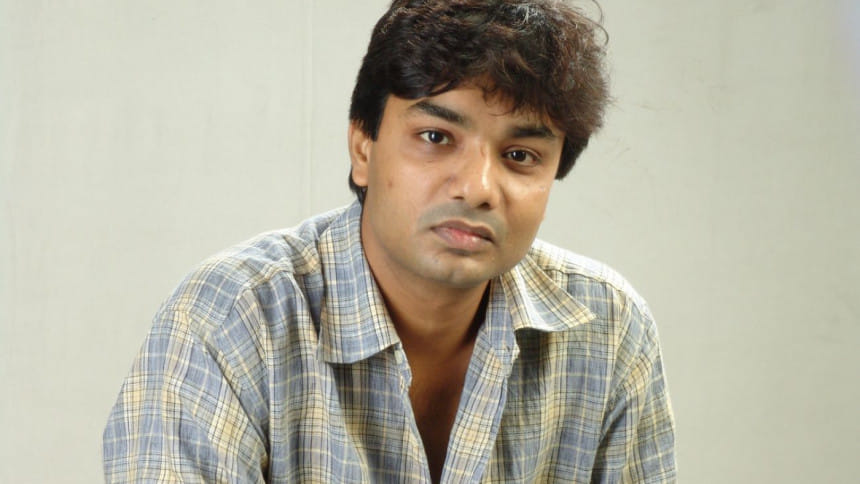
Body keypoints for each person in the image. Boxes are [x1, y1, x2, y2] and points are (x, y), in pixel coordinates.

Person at [103, 0, 676, 482]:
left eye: (520, 155)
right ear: (363, 148)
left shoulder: (608, 326)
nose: (478, 188)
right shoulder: (230, 319)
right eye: (436, 136)